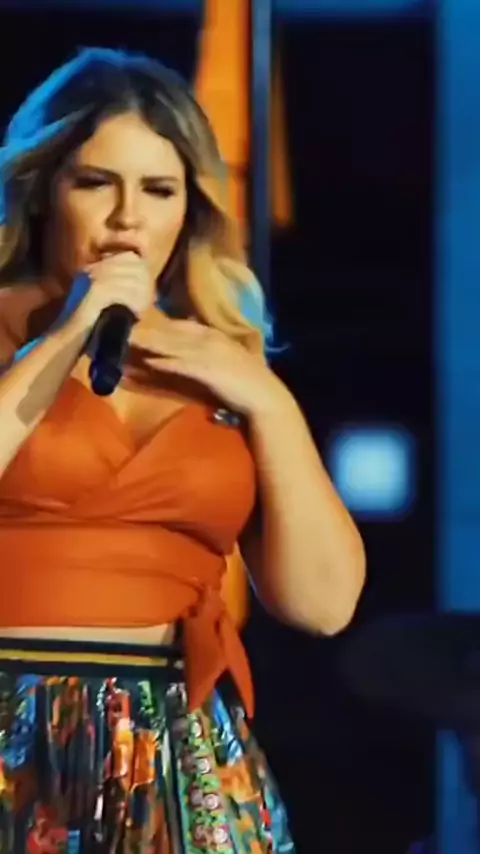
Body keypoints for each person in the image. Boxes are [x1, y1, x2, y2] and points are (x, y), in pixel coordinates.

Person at [0, 47, 365, 852]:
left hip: (175, 737)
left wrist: (268, 401)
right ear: (43, 190)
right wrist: (67, 335)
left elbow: (324, 605)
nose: (127, 219)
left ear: (189, 208)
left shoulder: (220, 360)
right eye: (96, 183)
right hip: (13, 730)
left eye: (158, 190)